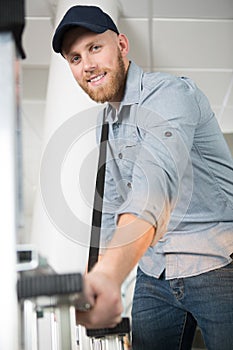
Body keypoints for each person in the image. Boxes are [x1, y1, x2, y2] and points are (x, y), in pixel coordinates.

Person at [52, 5, 233, 349]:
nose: (87, 65)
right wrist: (102, 277)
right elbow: (112, 207)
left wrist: (109, 274)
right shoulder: (103, 125)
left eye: (94, 48)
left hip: (216, 260)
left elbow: (154, 183)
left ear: (121, 45)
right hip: (154, 274)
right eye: (74, 58)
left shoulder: (170, 93)